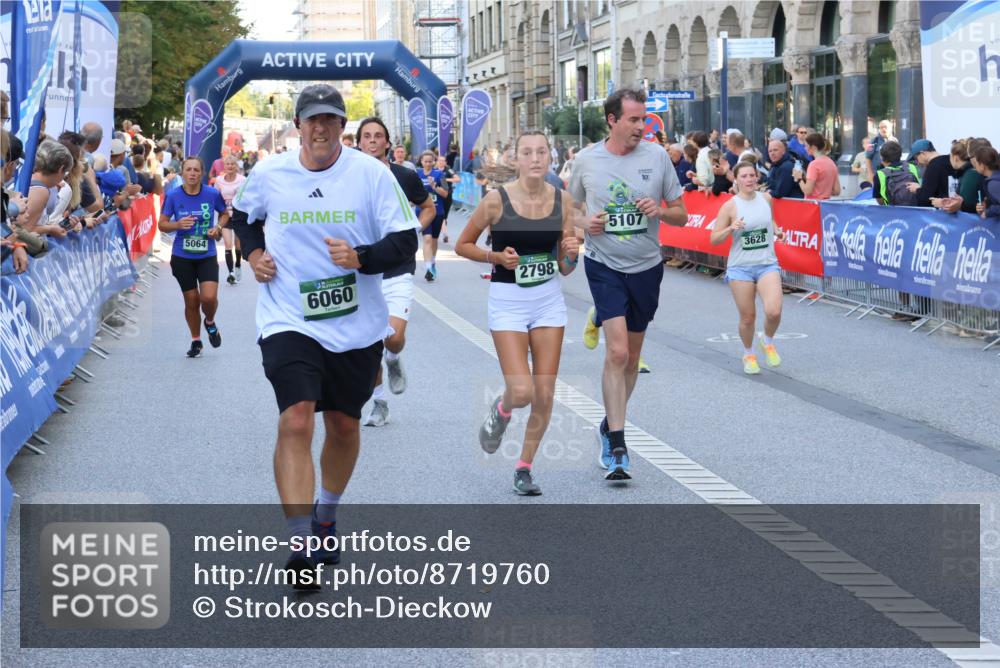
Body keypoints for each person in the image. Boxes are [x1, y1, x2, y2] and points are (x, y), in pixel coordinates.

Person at [229, 84, 419, 584]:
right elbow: (244, 220)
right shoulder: (269, 173)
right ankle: (301, 542)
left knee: (343, 426)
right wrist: (253, 255)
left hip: (355, 324)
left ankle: (327, 513)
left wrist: (362, 258)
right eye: (312, 120)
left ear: (343, 127)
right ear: (298, 126)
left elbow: (405, 241)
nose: (321, 128)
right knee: (295, 420)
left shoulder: (371, 175)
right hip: (288, 317)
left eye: (331, 120)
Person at [570, 88, 686, 481]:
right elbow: (570, 211)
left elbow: (682, 215)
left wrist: (662, 211)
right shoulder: (586, 160)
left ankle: (609, 421)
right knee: (617, 352)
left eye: (644, 119)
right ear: (612, 120)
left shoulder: (656, 157)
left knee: (632, 358)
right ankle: (618, 443)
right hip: (603, 264)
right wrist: (585, 224)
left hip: (647, 266)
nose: (642, 126)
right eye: (634, 119)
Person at [455, 130, 581, 495]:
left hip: (548, 301)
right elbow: (463, 245)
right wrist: (495, 256)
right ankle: (503, 409)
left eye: (542, 151)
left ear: (550, 158)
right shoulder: (496, 201)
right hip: (508, 300)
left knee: (544, 393)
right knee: (522, 390)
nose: (536, 158)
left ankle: (524, 468)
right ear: (516, 159)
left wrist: (571, 252)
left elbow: (566, 266)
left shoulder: (564, 201)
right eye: (528, 152)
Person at [356, 116, 436, 427]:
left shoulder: (405, 176)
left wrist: (412, 231)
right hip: (363, 270)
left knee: (393, 337)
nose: (373, 141)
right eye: (367, 136)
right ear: (360, 143)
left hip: (398, 267)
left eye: (378, 136)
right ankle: (379, 403)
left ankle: (393, 358)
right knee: (370, 340)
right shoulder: (349, 178)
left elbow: (427, 207)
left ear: (387, 143)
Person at [710, 162, 787, 374]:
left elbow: (769, 221)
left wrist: (778, 231)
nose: (749, 179)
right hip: (740, 268)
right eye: (744, 176)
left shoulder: (766, 199)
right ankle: (748, 353)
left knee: (774, 310)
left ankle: (768, 341)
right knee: (748, 317)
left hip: (766, 263)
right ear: (736, 180)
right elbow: (714, 238)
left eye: (752, 175)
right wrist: (730, 228)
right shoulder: (730, 206)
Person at [157, 157, 229, 358]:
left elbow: (225, 214)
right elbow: (161, 224)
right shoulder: (173, 196)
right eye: (188, 169)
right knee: (191, 300)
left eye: (196, 170)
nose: (192, 173)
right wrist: (177, 225)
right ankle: (196, 340)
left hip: (207, 253)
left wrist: (218, 228)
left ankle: (210, 322)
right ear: (182, 173)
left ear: (202, 173)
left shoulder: (212, 194)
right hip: (182, 255)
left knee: (208, 297)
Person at [213, 154, 247, 285]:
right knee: (228, 244)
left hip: (239, 216)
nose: (230, 166)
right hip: (225, 216)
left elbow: (247, 197)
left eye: (232, 164)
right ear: (224, 166)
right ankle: (231, 273)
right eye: (227, 164)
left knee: (238, 245)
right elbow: (216, 197)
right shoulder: (219, 181)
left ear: (236, 166)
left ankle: (238, 264)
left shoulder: (243, 180)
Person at [417, 150, 449, 281]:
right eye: (426, 161)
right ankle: (428, 268)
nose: (428, 164)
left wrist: (434, 186)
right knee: (427, 239)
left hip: (437, 211)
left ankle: (433, 262)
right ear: (421, 162)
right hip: (422, 211)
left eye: (430, 161)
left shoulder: (439, 174)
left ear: (434, 162)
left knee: (434, 240)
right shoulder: (416, 173)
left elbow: (446, 193)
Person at [907, 139, 957, 207]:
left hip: (940, 214)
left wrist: (917, 190)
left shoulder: (932, 167)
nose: (917, 162)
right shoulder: (950, 160)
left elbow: (925, 198)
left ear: (923, 153)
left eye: (916, 158)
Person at [873, 141, 920, 206]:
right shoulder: (912, 167)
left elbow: (879, 199)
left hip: (893, 213)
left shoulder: (880, 174)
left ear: (882, 157)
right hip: (914, 210)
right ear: (900, 155)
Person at [795, 132, 841, 200]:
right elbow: (837, 191)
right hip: (825, 205)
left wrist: (799, 178)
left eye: (806, 146)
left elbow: (807, 191)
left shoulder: (814, 165)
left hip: (813, 205)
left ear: (813, 147)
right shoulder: (832, 163)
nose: (805, 148)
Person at [435, 153, 460, 243]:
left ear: (445, 162)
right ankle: (444, 233)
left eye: (443, 161)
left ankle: (443, 232)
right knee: (439, 215)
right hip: (437, 196)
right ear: (437, 162)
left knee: (444, 216)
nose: (441, 162)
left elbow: (457, 179)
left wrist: (446, 179)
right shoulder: (434, 171)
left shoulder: (448, 170)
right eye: (439, 160)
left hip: (447, 195)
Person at [972, 145, 1000, 221]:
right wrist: (986, 205)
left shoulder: (993, 184)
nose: (975, 166)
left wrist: (988, 212)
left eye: (976, 163)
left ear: (983, 166)